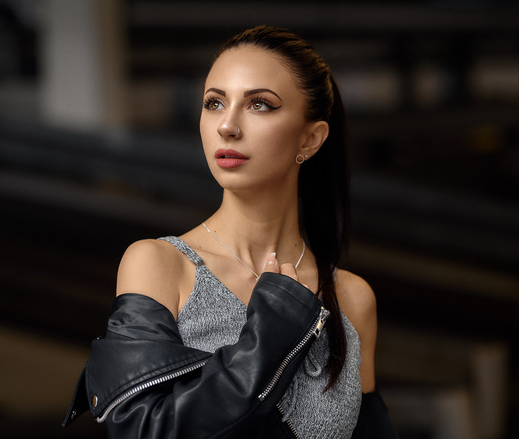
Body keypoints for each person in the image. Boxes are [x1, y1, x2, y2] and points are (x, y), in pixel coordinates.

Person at [62, 25, 399, 438]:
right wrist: (273, 329)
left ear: (311, 138)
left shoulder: (352, 299)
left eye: (259, 105)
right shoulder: (160, 265)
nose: (227, 126)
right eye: (214, 103)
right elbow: (142, 430)